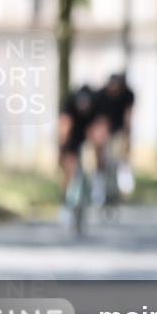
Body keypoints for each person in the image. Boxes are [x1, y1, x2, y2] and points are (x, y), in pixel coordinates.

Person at [91, 73, 136, 200]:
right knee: (100, 151)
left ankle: (124, 170)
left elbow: (129, 116)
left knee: (123, 146)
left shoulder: (128, 95)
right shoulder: (100, 96)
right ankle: (98, 183)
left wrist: (127, 135)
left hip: (119, 126)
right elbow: (97, 120)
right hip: (103, 125)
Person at [58, 85, 98, 222]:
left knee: (90, 165)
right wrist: (63, 151)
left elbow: (97, 129)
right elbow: (64, 129)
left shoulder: (95, 105)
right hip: (71, 139)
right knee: (70, 170)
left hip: (87, 137)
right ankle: (65, 203)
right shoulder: (69, 105)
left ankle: (93, 191)